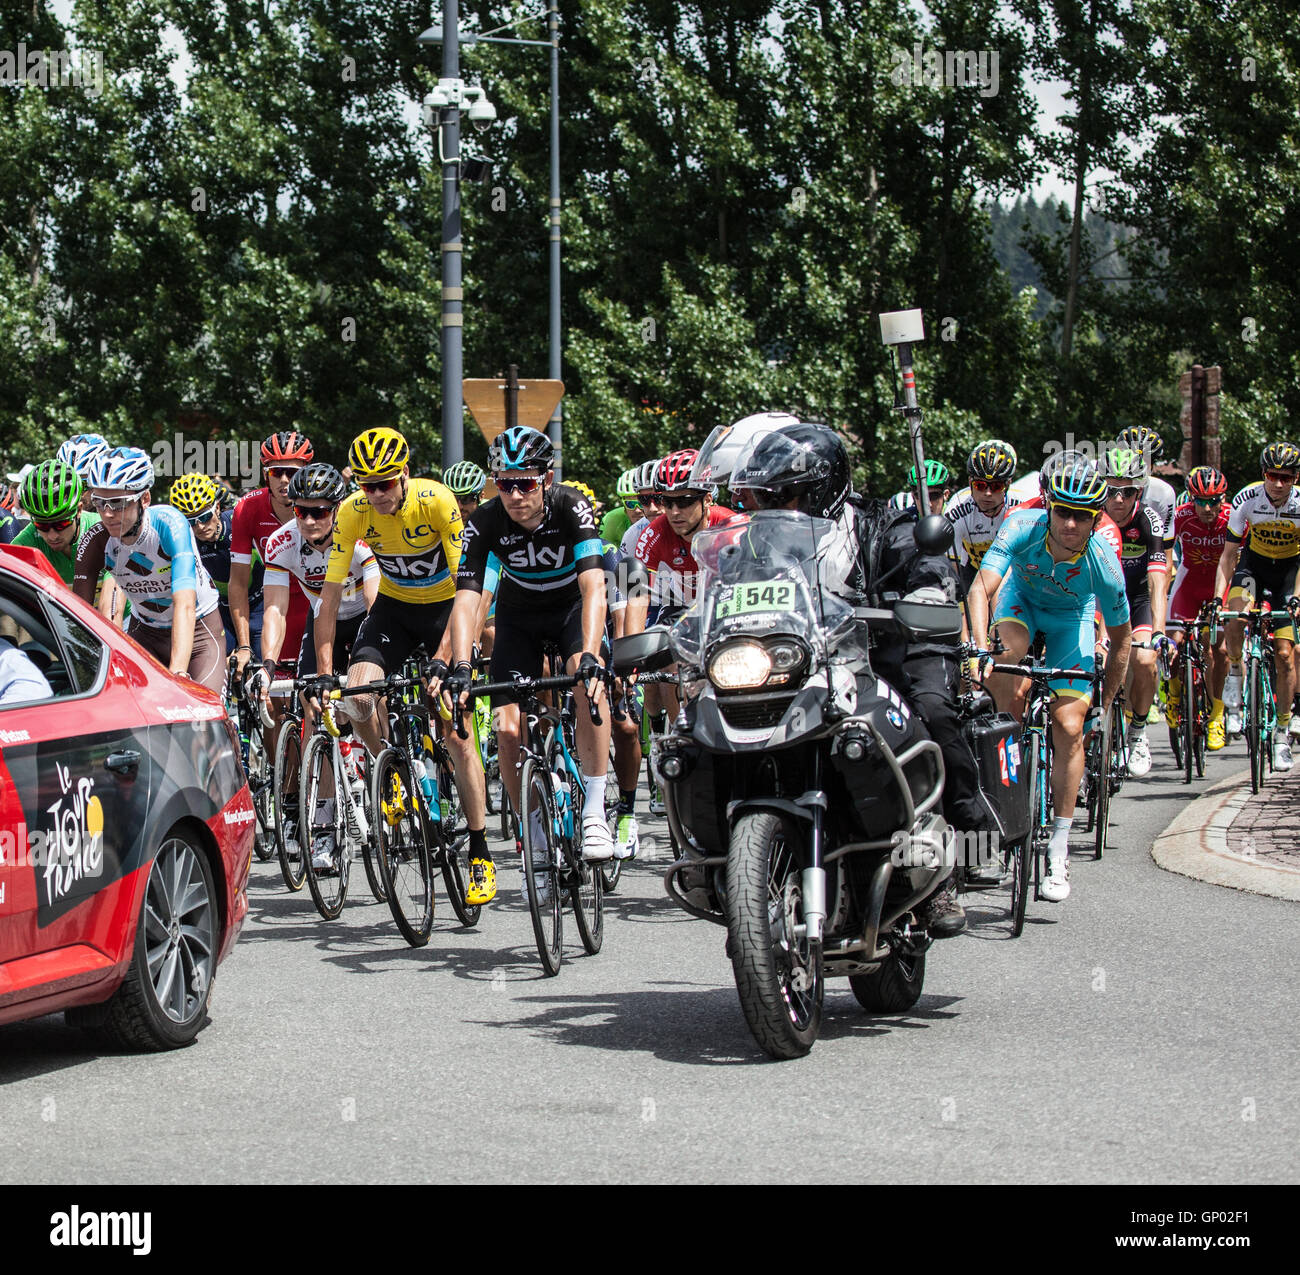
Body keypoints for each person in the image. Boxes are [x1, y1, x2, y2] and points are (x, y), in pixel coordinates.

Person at [316, 428, 489, 895]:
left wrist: (443, 659)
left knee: (456, 730)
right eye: (366, 485)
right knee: (357, 698)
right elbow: (329, 599)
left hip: (445, 610)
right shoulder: (352, 512)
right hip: (393, 610)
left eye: (384, 484)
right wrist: (326, 674)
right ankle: (388, 773)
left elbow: (469, 591)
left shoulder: (437, 501)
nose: (375, 495)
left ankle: (479, 850)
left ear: (404, 476)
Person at [445, 425, 614, 898]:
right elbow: (467, 599)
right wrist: (462, 663)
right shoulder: (484, 523)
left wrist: (592, 656)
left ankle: (597, 810)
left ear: (548, 477)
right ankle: (533, 837)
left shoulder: (570, 507)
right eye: (505, 483)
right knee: (505, 726)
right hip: (519, 616)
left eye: (527, 482)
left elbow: (593, 587)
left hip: (569, 609)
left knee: (587, 682)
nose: (516, 494)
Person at [968, 457, 1132, 903]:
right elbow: (981, 589)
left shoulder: (1104, 562)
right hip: (1020, 605)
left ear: (1097, 517)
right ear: (1049, 508)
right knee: (1008, 670)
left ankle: (1059, 846)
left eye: (1083, 516)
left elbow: (1121, 643)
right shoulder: (1021, 525)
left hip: (1070, 622)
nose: (1072, 524)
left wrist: (1107, 699)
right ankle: (1003, 803)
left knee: (1069, 727)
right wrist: (982, 649)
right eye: (1063, 512)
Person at [72, 447, 226, 693]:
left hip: (198, 630)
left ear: (144, 499)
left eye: (118, 503)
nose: (108, 514)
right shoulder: (96, 540)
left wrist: (177, 673)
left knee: (202, 717)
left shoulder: (168, 524)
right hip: (145, 631)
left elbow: (185, 604)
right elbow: (78, 616)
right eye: (100, 503)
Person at [1213, 441, 1300, 768]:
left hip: (1290, 572)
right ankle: (1236, 672)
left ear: (1294, 478)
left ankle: (1281, 733)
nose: (1278, 483)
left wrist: (1297, 598)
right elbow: (1228, 555)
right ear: (1263, 474)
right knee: (1234, 617)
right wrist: (1218, 598)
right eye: (1272, 475)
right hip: (1254, 566)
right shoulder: (1247, 499)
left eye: (1286, 477)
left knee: (1284, 655)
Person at [1098, 447, 1170, 777]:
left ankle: (1138, 731)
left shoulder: (1148, 520)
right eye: (1111, 490)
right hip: (1100, 597)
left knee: (1144, 660)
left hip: (1137, 598)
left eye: (1127, 491)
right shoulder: (1093, 516)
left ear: (1138, 491)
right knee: (1095, 661)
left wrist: (1159, 630)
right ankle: (1097, 730)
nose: (1118, 499)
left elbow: (1158, 579)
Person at [230, 431, 314, 679]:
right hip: (278, 606)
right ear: (266, 473)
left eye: (293, 472)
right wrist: (244, 645)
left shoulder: (325, 505)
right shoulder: (247, 508)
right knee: (277, 700)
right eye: (277, 472)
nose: (285, 480)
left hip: (318, 602)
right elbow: (237, 583)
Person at [1167, 467, 1231, 750]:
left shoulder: (1232, 516)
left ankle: (1217, 714)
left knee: (1218, 649)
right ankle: (1174, 691)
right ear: (1191, 499)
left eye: (1213, 501)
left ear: (1223, 498)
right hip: (1188, 584)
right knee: (1173, 643)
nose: (1207, 508)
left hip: (1217, 587)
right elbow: (1166, 552)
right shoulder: (1181, 515)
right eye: (1200, 501)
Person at [169, 472, 265, 658]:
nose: (199, 527)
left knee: (261, 658)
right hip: (221, 609)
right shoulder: (186, 540)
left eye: (204, 517)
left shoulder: (237, 522)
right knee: (221, 663)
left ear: (218, 508)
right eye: (190, 522)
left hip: (258, 604)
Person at [945, 440, 1022, 590]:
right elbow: (951, 568)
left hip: (1012, 571)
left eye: (996, 486)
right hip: (972, 568)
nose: (987, 493)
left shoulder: (1021, 506)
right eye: (979, 485)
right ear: (969, 482)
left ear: (1008, 485)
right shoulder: (956, 510)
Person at [11, 461, 101, 587]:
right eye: (42, 526)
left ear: (79, 510)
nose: (52, 536)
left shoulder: (101, 530)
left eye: (61, 524)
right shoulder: (27, 539)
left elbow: (113, 606)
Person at [0, 634, 53, 704]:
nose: (36, 663)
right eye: (32, 657)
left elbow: (34, 692)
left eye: (41, 661)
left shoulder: (11, 660)